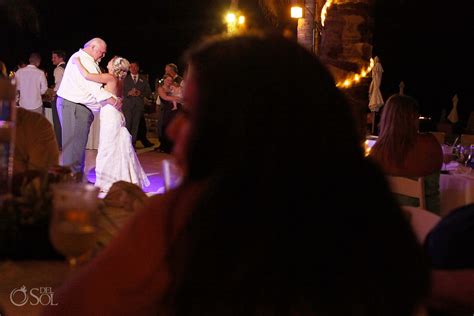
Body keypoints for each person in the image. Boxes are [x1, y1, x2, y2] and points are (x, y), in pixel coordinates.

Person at [42, 33, 429, 316]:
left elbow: (71, 308)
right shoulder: (371, 230)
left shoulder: (182, 223)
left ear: (248, 124)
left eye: (192, 114)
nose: (174, 130)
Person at [72, 55, 150, 193]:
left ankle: (106, 182)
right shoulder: (120, 81)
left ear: (114, 65)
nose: (107, 61)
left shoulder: (109, 77)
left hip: (110, 116)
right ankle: (118, 179)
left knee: (107, 150)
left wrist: (77, 61)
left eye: (110, 60)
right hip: (116, 115)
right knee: (115, 148)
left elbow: (87, 75)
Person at [56, 37, 121, 180]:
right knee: (73, 148)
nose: (103, 56)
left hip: (77, 107)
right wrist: (113, 100)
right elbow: (93, 86)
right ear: (92, 47)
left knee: (77, 147)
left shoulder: (85, 59)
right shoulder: (83, 59)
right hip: (74, 106)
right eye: (102, 52)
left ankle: (76, 179)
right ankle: (70, 182)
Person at [369, 94, 443, 213]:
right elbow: (432, 197)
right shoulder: (430, 146)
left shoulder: (376, 152)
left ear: (386, 118)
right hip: (419, 222)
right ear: (413, 117)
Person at [122, 61, 153, 148]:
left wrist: (140, 93)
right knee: (127, 125)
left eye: (135, 67)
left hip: (138, 106)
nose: (133, 68)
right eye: (131, 67)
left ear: (138, 68)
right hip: (127, 106)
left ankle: (132, 144)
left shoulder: (143, 79)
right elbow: (120, 91)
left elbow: (149, 92)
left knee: (135, 126)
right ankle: (126, 144)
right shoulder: (125, 78)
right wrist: (128, 93)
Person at [51, 49, 67, 149]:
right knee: (65, 121)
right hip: (68, 97)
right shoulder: (68, 67)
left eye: (54, 57)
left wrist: (52, 94)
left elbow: (58, 85)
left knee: (57, 121)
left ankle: (59, 144)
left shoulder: (58, 69)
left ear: (60, 58)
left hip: (59, 97)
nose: (52, 59)